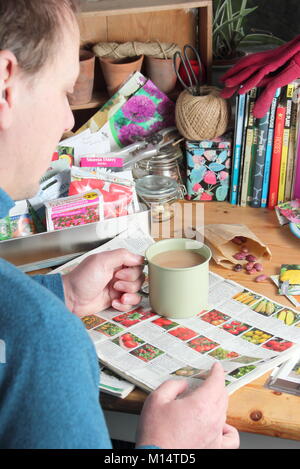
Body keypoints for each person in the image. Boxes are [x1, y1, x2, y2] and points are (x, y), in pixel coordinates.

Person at [0, 0, 239, 449]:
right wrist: (169, 451)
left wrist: (63, 293)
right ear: (4, 84)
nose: (67, 119)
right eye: (62, 92)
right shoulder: (44, 343)